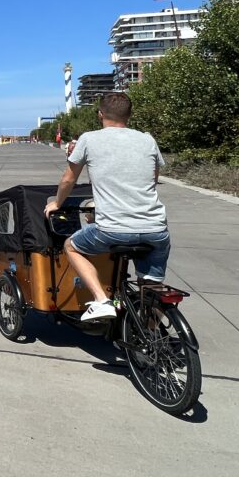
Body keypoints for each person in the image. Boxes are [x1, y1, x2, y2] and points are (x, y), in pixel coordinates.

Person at [43, 92, 170, 322]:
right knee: (152, 287)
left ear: (100, 114)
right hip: (156, 229)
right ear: (129, 116)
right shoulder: (147, 140)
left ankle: (102, 300)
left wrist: (56, 203)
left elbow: (68, 179)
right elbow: (153, 179)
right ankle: (150, 343)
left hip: (113, 228)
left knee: (71, 246)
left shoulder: (89, 139)